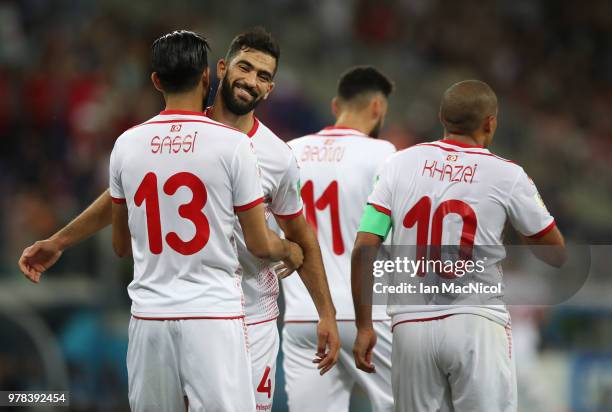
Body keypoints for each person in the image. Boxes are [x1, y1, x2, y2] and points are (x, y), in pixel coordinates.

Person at [19, 27, 340, 411]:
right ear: (218, 69)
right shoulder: (202, 133)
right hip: (212, 313)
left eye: (263, 76)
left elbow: (300, 231)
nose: (251, 81)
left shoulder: (277, 156)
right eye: (245, 68)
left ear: (270, 89)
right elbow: (121, 195)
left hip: (249, 317)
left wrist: (326, 312)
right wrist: (60, 240)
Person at [352, 80, 566, 412]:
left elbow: (364, 246)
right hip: (476, 320)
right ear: (490, 123)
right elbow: (554, 254)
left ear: (442, 117)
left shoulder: (398, 164)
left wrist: (364, 325)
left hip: (411, 324)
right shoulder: (507, 175)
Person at [282, 66, 396, 411]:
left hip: (306, 317)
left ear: (335, 106)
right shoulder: (384, 154)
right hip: (371, 317)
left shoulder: (288, 152)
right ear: (377, 107)